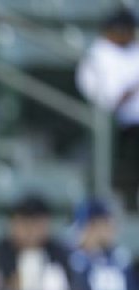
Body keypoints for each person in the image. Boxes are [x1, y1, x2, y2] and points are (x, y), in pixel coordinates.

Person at [76, 7, 139, 210]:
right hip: (113, 125)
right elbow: (97, 93)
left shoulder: (136, 50)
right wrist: (124, 95)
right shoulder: (98, 53)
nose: (123, 33)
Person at [0, 194, 71, 290]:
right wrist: (7, 288)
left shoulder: (60, 254)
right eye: (24, 223)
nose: (30, 231)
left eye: (36, 224)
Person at [67, 198, 136, 290]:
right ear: (91, 225)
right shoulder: (71, 260)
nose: (113, 227)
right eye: (107, 222)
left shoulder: (119, 258)